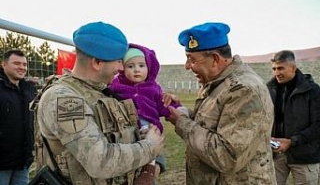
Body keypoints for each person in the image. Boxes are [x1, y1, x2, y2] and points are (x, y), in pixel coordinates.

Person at [34, 21, 165, 185]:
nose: (121, 68)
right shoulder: (63, 98)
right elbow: (99, 161)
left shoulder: (103, 91)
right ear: (96, 62)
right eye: (118, 61)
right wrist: (149, 147)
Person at [166, 22, 277, 184]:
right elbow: (213, 125)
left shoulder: (244, 90)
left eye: (191, 59)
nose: (187, 66)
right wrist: (182, 112)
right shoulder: (218, 83)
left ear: (215, 59)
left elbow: (227, 156)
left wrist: (181, 122)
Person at [109, 43, 183, 183]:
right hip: (127, 130)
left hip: (150, 127)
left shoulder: (153, 88)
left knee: (152, 144)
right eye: (131, 66)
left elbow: (163, 104)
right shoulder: (116, 86)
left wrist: (176, 107)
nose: (137, 70)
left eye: (141, 66)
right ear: (122, 68)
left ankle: (149, 169)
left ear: (149, 67)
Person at [266, 50, 320, 185]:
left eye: (280, 68)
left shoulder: (313, 91)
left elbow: (318, 125)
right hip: (276, 155)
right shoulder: (269, 89)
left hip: (305, 157)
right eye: (274, 69)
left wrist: (292, 141)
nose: (276, 73)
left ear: (293, 67)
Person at [0, 49, 35, 185]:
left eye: (24, 64)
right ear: (3, 64)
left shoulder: (28, 89)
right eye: (16, 63)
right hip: (2, 163)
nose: (22, 67)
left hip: (23, 162)